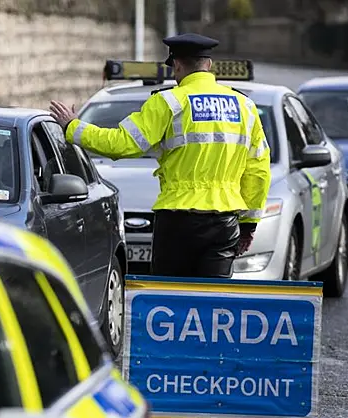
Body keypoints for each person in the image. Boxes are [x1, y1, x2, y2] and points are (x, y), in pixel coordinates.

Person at [50, 33, 272, 278]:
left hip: (178, 222)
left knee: (170, 298)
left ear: (177, 65)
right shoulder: (245, 106)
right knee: (214, 302)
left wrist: (73, 127)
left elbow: (121, 144)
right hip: (224, 222)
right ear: (208, 65)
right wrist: (249, 224)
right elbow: (258, 170)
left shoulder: (168, 102)